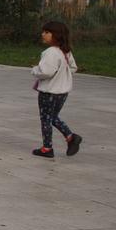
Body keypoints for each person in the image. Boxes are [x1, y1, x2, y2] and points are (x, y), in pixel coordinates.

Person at [31, 21, 82, 159]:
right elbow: (73, 68)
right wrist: (62, 74)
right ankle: (71, 138)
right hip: (63, 92)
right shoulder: (65, 51)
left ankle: (47, 148)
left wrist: (35, 70)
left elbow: (46, 72)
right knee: (52, 117)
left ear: (56, 35)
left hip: (49, 92)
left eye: (47, 32)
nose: (43, 34)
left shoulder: (50, 52)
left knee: (46, 119)